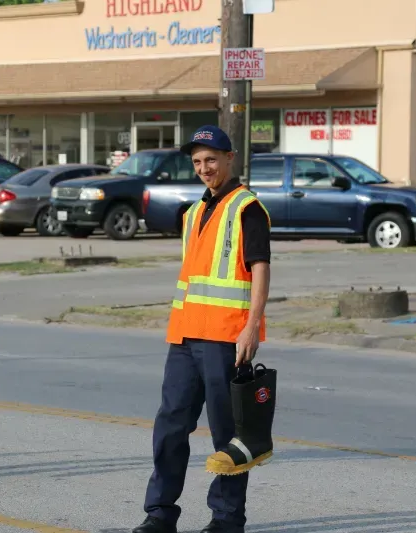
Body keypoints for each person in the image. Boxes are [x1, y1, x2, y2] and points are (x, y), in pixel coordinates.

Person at [132, 125, 271, 533]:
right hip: (185, 336)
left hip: (226, 338)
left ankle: (227, 520)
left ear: (230, 158)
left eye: (211, 159)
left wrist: (251, 328)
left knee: (228, 436)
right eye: (197, 162)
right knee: (170, 426)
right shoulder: (194, 212)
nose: (204, 168)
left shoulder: (247, 208)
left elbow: (260, 269)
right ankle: (159, 514)